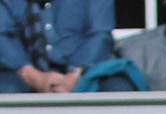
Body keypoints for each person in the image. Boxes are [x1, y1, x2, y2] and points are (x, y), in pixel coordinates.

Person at [0, 0, 136, 92]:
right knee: (8, 90)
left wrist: (73, 77)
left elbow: (100, 35)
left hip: (85, 70)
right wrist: (35, 78)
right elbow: (3, 38)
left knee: (119, 89)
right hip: (22, 72)